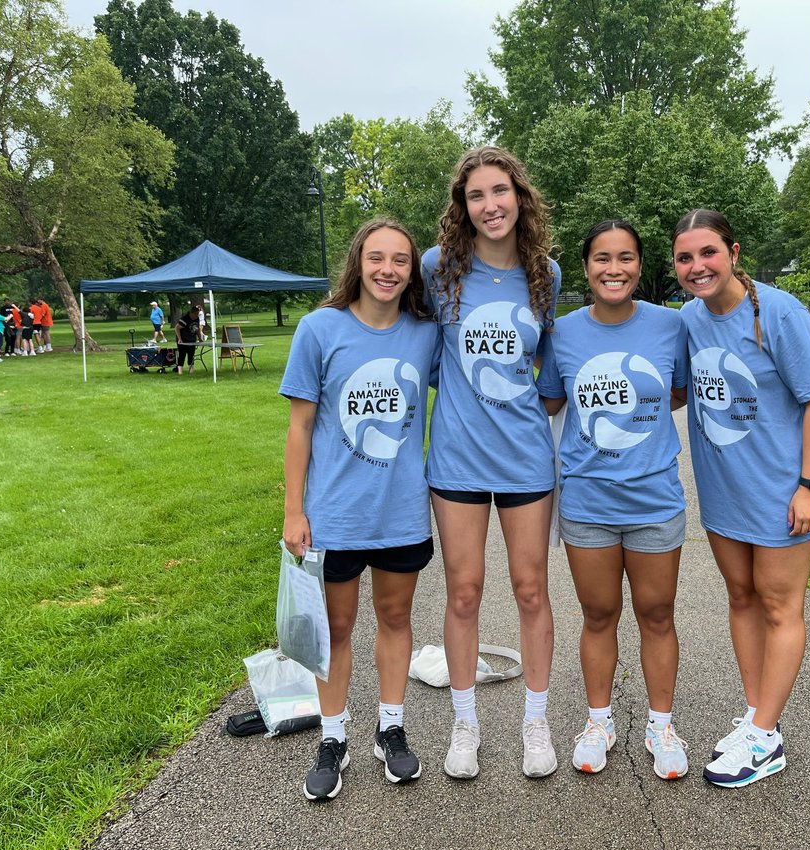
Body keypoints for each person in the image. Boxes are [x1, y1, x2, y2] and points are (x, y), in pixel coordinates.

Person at [280, 218, 440, 802]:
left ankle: (390, 728)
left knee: (396, 620)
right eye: (377, 258)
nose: (388, 270)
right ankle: (333, 737)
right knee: (338, 627)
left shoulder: (425, 333)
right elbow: (299, 427)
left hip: (400, 511)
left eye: (401, 260)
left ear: (412, 270)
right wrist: (294, 510)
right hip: (334, 515)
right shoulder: (319, 329)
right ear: (358, 262)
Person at [673, 209, 810, 789]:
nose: (697, 267)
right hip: (723, 492)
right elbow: (671, 389)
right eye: (686, 257)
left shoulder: (780, 313)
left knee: (779, 606)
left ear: (734, 253)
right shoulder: (689, 319)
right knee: (741, 597)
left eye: (708, 253)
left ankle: (766, 737)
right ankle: (757, 717)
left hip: (779, 491)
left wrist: (809, 486)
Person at [422, 145, 561, 779]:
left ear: (519, 197)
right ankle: (465, 723)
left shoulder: (546, 275)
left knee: (532, 590)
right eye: (476, 195)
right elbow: (424, 355)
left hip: (527, 459)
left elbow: (541, 362)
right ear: (463, 206)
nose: (490, 205)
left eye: (499, 191)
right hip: (456, 460)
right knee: (464, 591)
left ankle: (536, 720)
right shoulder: (438, 268)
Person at [536, 220, 691, 779]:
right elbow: (551, 402)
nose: (614, 269)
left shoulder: (671, 328)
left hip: (654, 501)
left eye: (626, 258)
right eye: (602, 258)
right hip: (588, 504)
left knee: (657, 614)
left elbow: (678, 390)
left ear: (640, 266)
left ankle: (660, 724)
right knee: (599, 614)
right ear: (586, 268)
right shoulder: (563, 334)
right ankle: (598, 721)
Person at [174, 306, 199, 375]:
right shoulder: (185, 319)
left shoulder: (197, 319)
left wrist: (200, 338)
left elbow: (197, 329)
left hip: (192, 340)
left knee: (191, 355)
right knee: (182, 355)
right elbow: (176, 328)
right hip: (183, 340)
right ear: (191, 313)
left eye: (198, 314)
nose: (197, 316)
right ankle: (180, 371)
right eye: (196, 314)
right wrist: (179, 339)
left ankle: (191, 370)